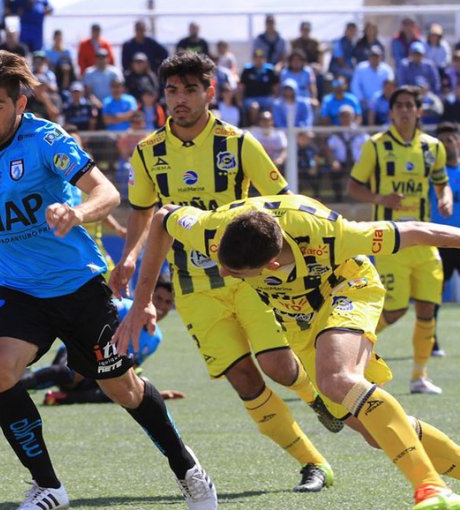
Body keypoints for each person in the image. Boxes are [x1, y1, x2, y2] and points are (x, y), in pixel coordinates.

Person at [0, 50, 217, 510]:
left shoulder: (45, 139)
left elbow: (108, 191)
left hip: (78, 286)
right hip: (18, 290)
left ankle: (188, 468)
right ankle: (48, 486)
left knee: (121, 387)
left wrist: (77, 212)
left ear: (20, 103)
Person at [116, 193, 460, 510]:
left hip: (348, 287)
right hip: (300, 321)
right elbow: (163, 217)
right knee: (374, 432)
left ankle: (431, 488)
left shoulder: (331, 233)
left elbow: (414, 230)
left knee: (337, 379)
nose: (222, 272)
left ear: (271, 267)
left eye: (233, 272)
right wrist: (141, 302)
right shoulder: (211, 230)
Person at [111, 51, 338, 494]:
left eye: (190, 90)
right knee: (243, 378)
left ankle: (319, 399)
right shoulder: (148, 152)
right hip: (194, 289)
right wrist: (130, 256)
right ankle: (313, 464)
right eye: (172, 90)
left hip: (251, 278)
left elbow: (282, 206)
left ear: (209, 92)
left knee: (278, 366)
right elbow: (143, 214)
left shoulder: (239, 143)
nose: (180, 99)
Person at [347, 85, 452, 395]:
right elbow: (354, 187)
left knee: (427, 309)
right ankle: (348, 351)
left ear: (419, 111)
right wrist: (381, 197)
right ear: (391, 112)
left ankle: (419, 377)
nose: (405, 110)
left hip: (425, 239)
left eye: (410, 105)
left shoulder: (433, 147)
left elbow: (441, 183)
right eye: (400, 106)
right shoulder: (376, 146)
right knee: (393, 311)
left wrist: (443, 198)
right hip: (391, 240)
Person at [24, 278, 183, 405]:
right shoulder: (123, 308)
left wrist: (149, 392)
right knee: (70, 375)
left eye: (168, 302)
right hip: (79, 352)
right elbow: (88, 318)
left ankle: (63, 397)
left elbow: (133, 368)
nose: (161, 306)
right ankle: (20, 381)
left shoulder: (155, 338)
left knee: (124, 389)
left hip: (102, 374)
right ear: (149, 295)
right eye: (158, 298)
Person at [428, 121, 460, 358]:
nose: (447, 144)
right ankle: (431, 341)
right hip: (440, 239)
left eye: (450, 139)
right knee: (433, 294)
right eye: (442, 141)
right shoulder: (433, 174)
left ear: (457, 142)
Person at [323, 104, 367, 202]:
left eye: (347, 115)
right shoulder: (336, 132)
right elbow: (329, 149)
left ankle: (362, 199)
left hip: (357, 163)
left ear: (353, 116)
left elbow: (367, 147)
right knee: (333, 173)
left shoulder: (360, 132)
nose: (345, 118)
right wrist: (333, 161)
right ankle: (338, 199)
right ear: (339, 117)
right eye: (343, 115)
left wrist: (364, 162)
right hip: (341, 163)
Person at [351, 46, 393, 117]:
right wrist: (362, 99)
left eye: (377, 56)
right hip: (364, 103)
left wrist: (380, 99)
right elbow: (355, 86)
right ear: (369, 57)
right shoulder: (361, 68)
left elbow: (390, 85)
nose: (375, 59)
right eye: (372, 56)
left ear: (381, 57)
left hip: (382, 102)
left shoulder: (386, 69)